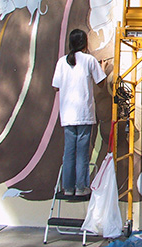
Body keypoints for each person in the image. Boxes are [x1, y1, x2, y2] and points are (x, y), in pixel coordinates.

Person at [52, 29, 107, 196]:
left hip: (68, 114)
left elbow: (56, 86)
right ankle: (81, 187)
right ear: (85, 43)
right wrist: (102, 67)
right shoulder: (89, 60)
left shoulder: (62, 62)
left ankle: (67, 187)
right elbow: (101, 83)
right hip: (84, 113)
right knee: (83, 153)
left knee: (69, 152)